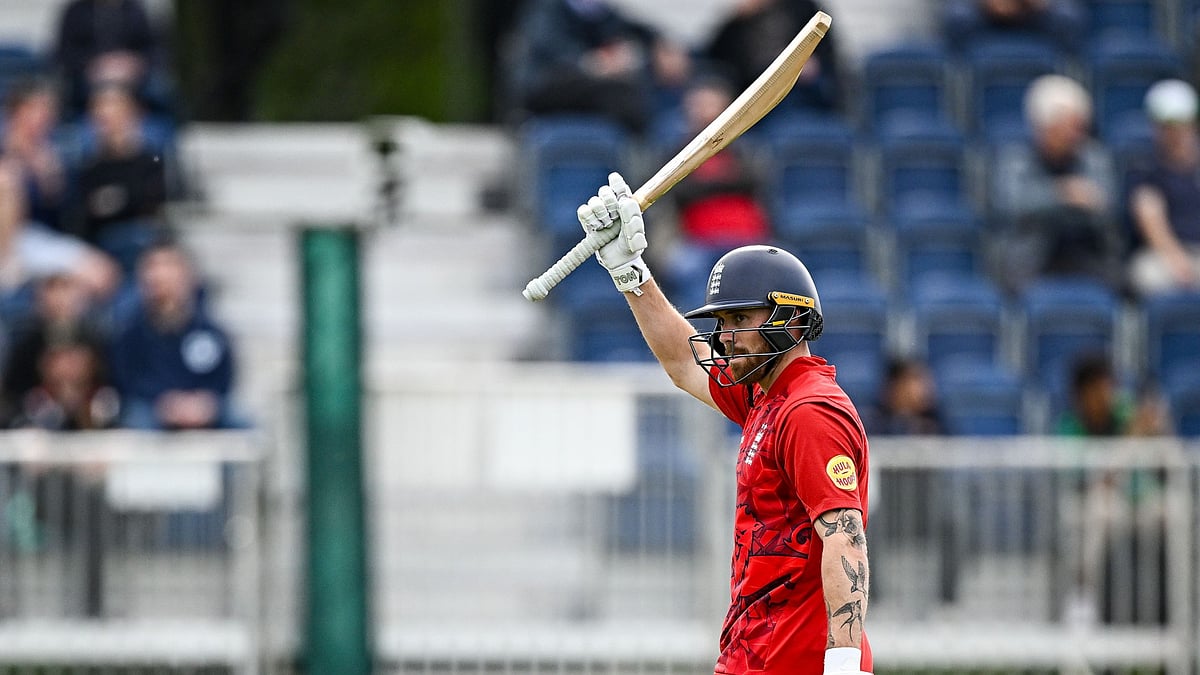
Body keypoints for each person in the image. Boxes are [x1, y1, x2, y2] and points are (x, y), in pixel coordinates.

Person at [576, 173, 872, 674]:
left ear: (790, 321)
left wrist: (843, 665)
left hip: (794, 663)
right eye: (721, 323)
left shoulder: (809, 411)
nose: (724, 336)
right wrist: (630, 272)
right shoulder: (765, 397)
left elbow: (845, 537)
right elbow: (682, 363)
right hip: (754, 655)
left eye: (738, 320)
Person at [990, 74, 1123, 292]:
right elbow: (1011, 205)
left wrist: (1090, 202)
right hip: (1032, 258)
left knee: (1118, 283)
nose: (1075, 135)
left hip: (1088, 252)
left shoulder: (1095, 158)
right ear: (1044, 128)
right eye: (1067, 127)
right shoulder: (1015, 159)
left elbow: (1107, 204)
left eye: (1079, 127)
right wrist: (1062, 194)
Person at [655, 74, 773, 308]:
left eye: (712, 104)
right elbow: (680, 192)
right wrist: (727, 182)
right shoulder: (678, 152)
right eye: (700, 105)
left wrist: (706, 185)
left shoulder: (745, 149)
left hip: (747, 237)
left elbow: (754, 181)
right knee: (689, 276)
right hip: (695, 241)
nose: (706, 113)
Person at [108, 239, 242, 430]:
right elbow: (126, 381)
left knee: (240, 421)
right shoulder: (129, 333)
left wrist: (201, 404)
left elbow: (222, 380)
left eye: (169, 267)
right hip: (151, 408)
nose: (161, 276)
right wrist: (166, 403)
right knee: (137, 419)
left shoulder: (209, 331)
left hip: (201, 408)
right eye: (153, 268)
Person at [503, 0, 691, 133]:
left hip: (595, 100)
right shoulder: (545, 12)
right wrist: (595, 62)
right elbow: (550, 51)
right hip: (545, 94)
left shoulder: (604, 13)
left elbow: (634, 32)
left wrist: (660, 46)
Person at [63, 81, 170, 277]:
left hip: (136, 241)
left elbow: (152, 199)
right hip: (96, 247)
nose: (105, 118)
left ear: (131, 114)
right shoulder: (87, 166)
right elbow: (80, 212)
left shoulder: (151, 158)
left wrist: (116, 200)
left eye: (112, 110)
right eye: (99, 112)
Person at [703, 0, 844, 114]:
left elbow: (825, 55)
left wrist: (809, 63)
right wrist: (737, 20)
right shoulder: (740, 22)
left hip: (802, 89)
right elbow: (719, 57)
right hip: (756, 93)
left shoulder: (802, 8)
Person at [1126, 79, 1200, 296]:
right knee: (1149, 276)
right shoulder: (1145, 169)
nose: (1175, 132)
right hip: (1163, 255)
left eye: (1180, 124)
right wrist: (1176, 259)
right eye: (1167, 126)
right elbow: (1149, 215)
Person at [2, 79, 70, 231]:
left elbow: (57, 203)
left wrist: (47, 173)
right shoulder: (4, 146)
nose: (41, 117)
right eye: (33, 109)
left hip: (40, 231)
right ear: (16, 111)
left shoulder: (56, 151)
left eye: (47, 111)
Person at [940, 0, 1086, 55]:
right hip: (985, 16)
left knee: (1067, 16)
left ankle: (1067, 67)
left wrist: (1037, 5)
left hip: (1033, 15)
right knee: (959, 15)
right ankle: (960, 71)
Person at [863, 356, 946, 436]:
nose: (926, 387)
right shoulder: (873, 424)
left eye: (926, 380)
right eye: (916, 379)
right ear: (896, 385)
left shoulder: (935, 423)